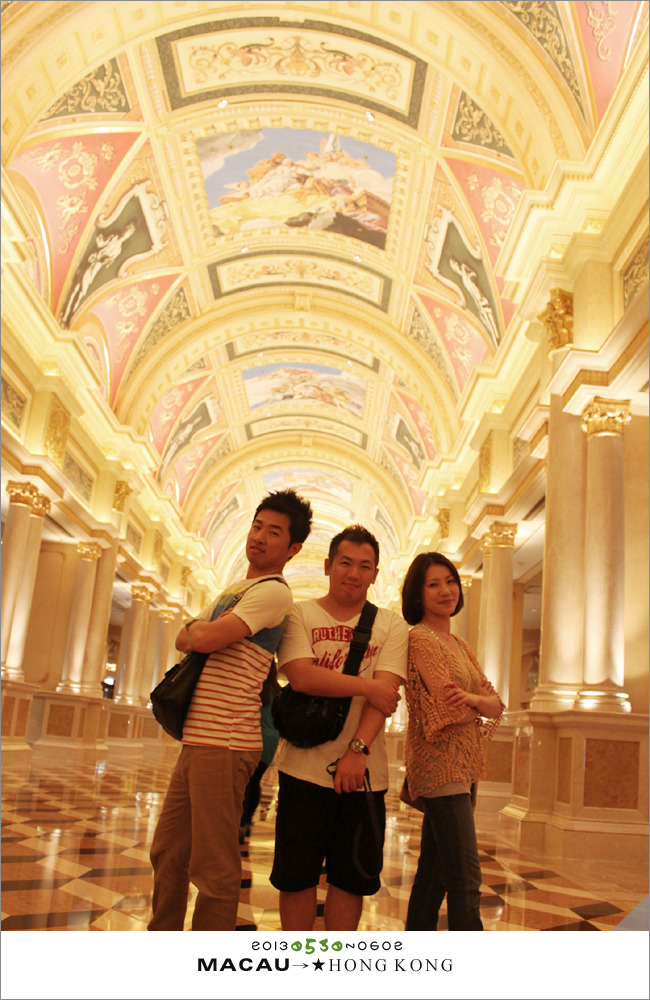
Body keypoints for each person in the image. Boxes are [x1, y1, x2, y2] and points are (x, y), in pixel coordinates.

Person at [148, 489, 313, 931]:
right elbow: (186, 637)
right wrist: (198, 631)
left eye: (273, 532)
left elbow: (200, 638)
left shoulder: (274, 592)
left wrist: (199, 630)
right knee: (167, 851)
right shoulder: (235, 589)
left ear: (293, 548)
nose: (259, 536)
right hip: (198, 738)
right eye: (257, 526)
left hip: (226, 740)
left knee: (214, 867)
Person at [270, 525, 408, 931]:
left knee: (350, 879)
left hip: (364, 776)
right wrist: (368, 685)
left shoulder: (391, 624)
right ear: (328, 565)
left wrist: (357, 750)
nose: (354, 573)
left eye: (365, 566)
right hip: (302, 769)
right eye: (346, 563)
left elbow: (386, 697)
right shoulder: (300, 614)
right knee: (296, 877)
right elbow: (301, 677)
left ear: (375, 574)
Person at [400, 552, 504, 931]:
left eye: (450, 581)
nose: (446, 590)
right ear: (418, 594)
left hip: (464, 766)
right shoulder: (421, 639)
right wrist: (478, 704)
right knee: (466, 878)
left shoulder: (459, 643)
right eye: (434, 584)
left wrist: (472, 700)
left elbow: (496, 703)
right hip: (439, 768)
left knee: (435, 875)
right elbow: (445, 710)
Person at [239, 660, 281, 844]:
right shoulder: (276, 689)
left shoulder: (257, 687)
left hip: (256, 738)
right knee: (255, 782)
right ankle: (247, 821)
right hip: (271, 742)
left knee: (246, 783)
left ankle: (241, 822)